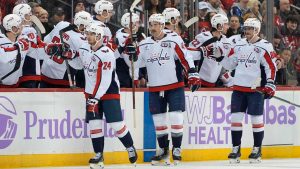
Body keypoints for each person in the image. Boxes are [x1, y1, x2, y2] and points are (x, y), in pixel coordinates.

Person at [130, 13, 200, 165]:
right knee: (158, 120)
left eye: (156, 24)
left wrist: (192, 72)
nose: (153, 27)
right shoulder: (143, 44)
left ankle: (177, 148)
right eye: (151, 24)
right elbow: (136, 63)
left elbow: (185, 57)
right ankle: (163, 150)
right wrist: (132, 62)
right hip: (155, 86)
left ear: (162, 26)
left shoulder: (173, 39)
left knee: (176, 116)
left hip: (174, 85)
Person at [212, 18, 277, 163]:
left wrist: (271, 83)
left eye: (250, 29)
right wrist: (220, 57)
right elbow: (230, 63)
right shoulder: (239, 45)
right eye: (246, 28)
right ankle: (236, 149)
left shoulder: (265, 46)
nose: (247, 31)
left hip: (256, 89)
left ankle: (257, 149)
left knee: (256, 120)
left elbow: (271, 67)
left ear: (257, 30)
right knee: (235, 120)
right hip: (239, 88)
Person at [78, 22, 137, 169]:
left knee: (116, 124)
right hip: (92, 93)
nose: (88, 36)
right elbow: (77, 62)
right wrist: (66, 54)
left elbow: (104, 80)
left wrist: (95, 99)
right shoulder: (84, 48)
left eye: (91, 34)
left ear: (99, 36)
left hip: (109, 91)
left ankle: (130, 146)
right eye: (87, 34)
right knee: (94, 125)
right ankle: (99, 155)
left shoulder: (106, 54)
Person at [41, 11, 92, 88]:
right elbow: (80, 64)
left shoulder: (62, 24)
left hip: (46, 69)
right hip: (62, 77)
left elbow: (46, 40)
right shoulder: (82, 40)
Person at [188, 14, 231, 87]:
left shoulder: (227, 42)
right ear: (219, 26)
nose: (228, 27)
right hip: (198, 82)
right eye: (226, 24)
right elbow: (188, 53)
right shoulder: (203, 37)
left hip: (213, 84)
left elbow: (223, 64)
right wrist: (202, 51)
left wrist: (227, 80)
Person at [0, 14, 30, 88]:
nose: (22, 26)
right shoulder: (1, 41)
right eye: (19, 24)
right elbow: (5, 59)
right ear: (13, 28)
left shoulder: (23, 38)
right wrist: (18, 47)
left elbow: (36, 51)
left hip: (16, 85)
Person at [114, 12, 141, 88]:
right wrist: (135, 79)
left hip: (117, 69)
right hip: (123, 73)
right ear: (131, 24)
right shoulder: (128, 39)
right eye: (137, 23)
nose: (138, 25)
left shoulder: (120, 31)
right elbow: (131, 62)